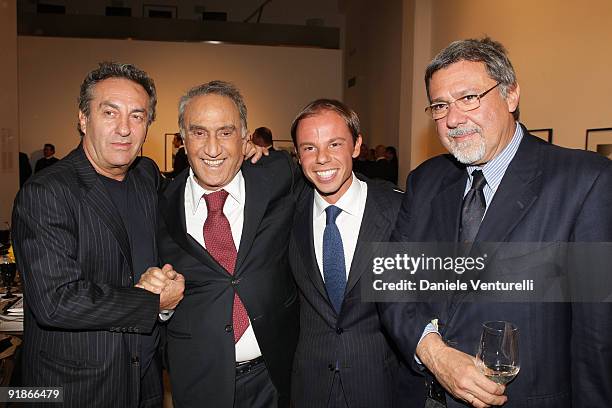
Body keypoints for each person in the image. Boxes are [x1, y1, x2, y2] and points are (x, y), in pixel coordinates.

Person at [379, 38, 612, 407]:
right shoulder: (426, 180)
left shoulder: (584, 181)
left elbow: (597, 338)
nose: (453, 119)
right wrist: (433, 352)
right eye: (440, 105)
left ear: (511, 95)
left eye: (469, 97)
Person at [11, 61, 185, 407]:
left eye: (137, 116)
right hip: (71, 390)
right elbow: (55, 302)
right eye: (110, 113)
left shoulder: (146, 175)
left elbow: (189, 203)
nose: (124, 129)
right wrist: (152, 304)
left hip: (143, 382)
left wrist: (251, 162)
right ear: (83, 118)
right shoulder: (46, 192)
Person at [157, 80, 302, 407]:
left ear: (244, 135)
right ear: (182, 138)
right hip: (197, 381)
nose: (212, 148)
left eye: (225, 132)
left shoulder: (280, 175)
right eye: (198, 132)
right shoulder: (160, 203)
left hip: (275, 377)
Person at [288, 99, 423, 408]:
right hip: (309, 387)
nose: (321, 158)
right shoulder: (287, 212)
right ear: (297, 155)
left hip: (381, 385)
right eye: (309, 148)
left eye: (334, 144)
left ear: (357, 145)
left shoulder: (399, 208)